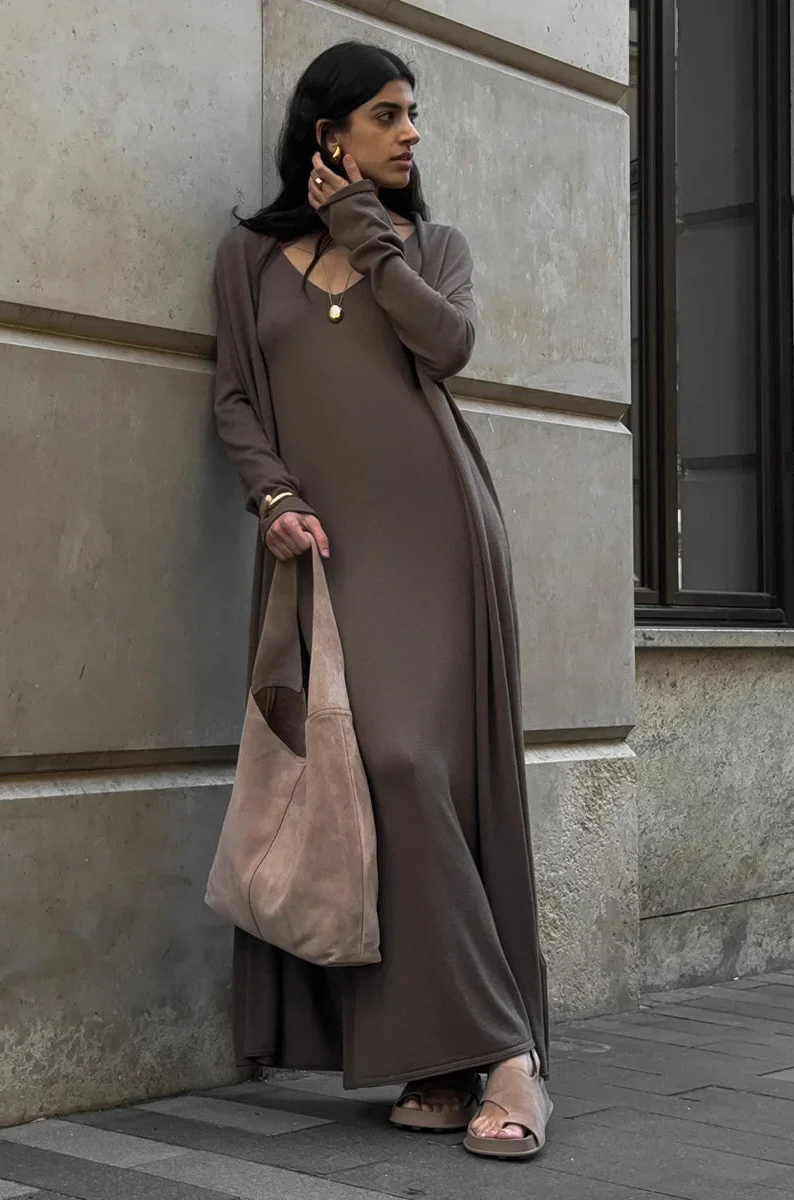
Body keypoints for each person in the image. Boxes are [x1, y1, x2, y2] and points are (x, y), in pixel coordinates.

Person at [213, 39, 552, 1159]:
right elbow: (233, 402)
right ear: (329, 134)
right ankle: (442, 1062)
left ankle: (507, 1055)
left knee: (409, 768)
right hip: (324, 548)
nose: (413, 132)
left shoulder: (427, 245)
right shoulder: (250, 260)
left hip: (440, 541)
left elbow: (447, 345)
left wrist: (368, 230)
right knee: (357, 781)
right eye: (389, 114)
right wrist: (271, 499)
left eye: (416, 115)